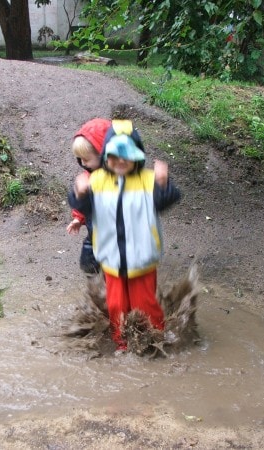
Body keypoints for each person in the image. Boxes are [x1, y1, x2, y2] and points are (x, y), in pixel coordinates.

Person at [68, 119, 181, 351]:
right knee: (117, 305)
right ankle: (121, 344)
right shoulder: (96, 181)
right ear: (105, 157)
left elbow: (165, 202)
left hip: (142, 259)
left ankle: (155, 341)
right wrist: (79, 195)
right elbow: (88, 210)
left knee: (145, 304)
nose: (120, 161)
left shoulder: (148, 181)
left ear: (137, 157)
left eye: (126, 156)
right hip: (111, 259)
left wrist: (163, 184)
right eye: (114, 156)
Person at [66, 118, 111, 274]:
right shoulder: (88, 177)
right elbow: (85, 204)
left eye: (87, 159)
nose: (83, 163)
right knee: (88, 260)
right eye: (80, 159)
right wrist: (78, 218)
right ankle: (92, 276)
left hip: (114, 235)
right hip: (94, 232)